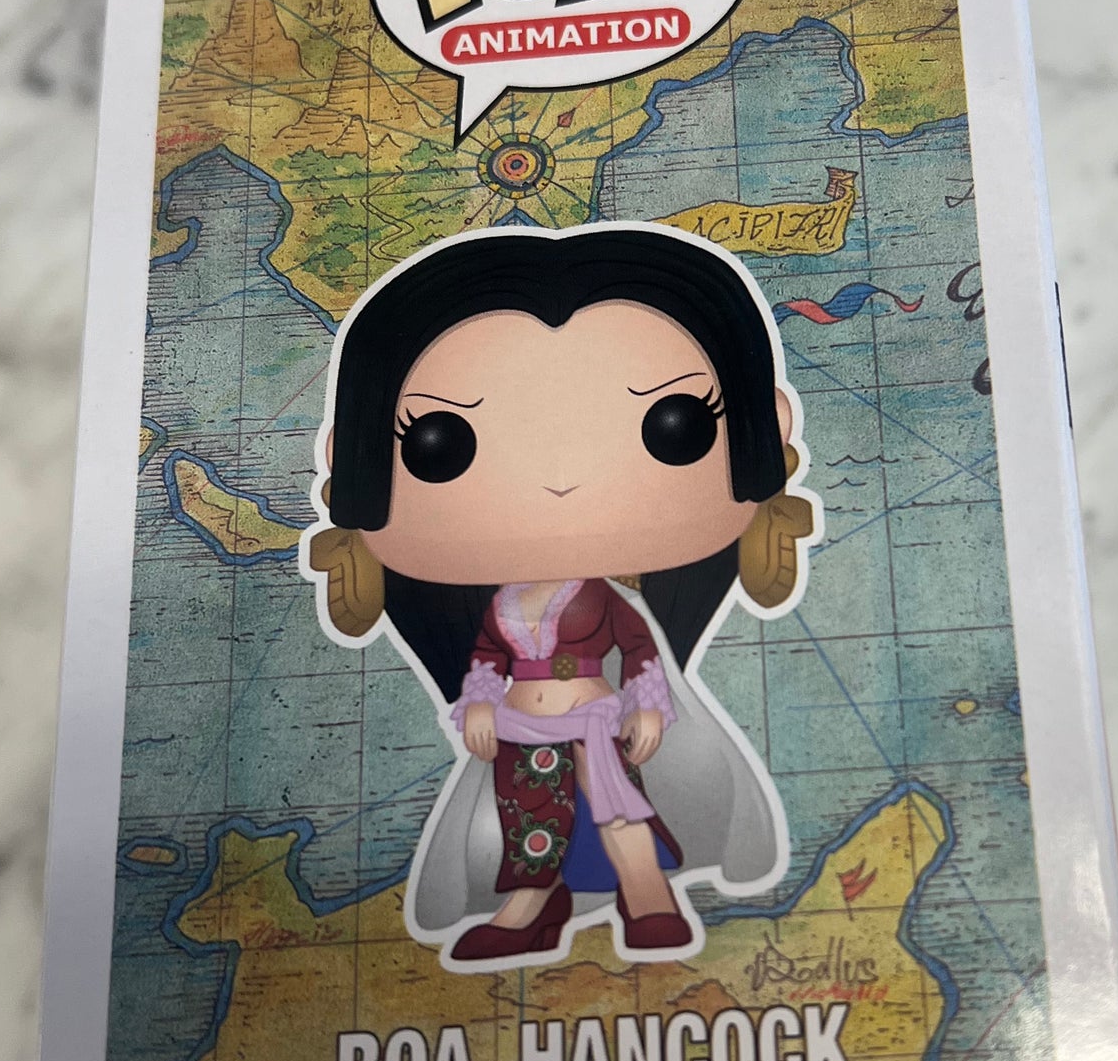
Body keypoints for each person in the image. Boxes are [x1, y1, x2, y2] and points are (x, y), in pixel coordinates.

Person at [305, 223, 818, 969]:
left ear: (767, 427)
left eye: (672, 425)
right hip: (521, 728)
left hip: (597, 721)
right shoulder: (500, 605)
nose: (559, 481)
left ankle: (647, 896)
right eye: (439, 442)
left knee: (618, 807)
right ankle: (531, 906)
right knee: (528, 819)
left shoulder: (607, 598)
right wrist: (481, 704)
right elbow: (487, 657)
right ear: (347, 455)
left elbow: (638, 652)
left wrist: (648, 707)